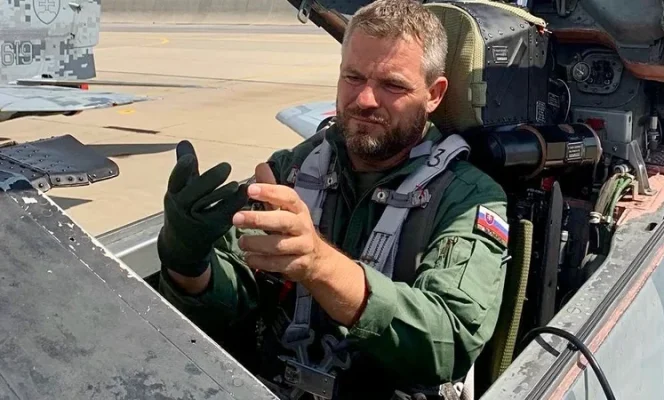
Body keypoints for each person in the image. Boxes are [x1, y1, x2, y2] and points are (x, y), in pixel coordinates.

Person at [155, 0, 509, 398]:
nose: (365, 99)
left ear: (433, 94)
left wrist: (319, 264)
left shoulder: (467, 198)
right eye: (353, 77)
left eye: (392, 85)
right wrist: (188, 264)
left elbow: (449, 341)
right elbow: (242, 294)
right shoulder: (296, 168)